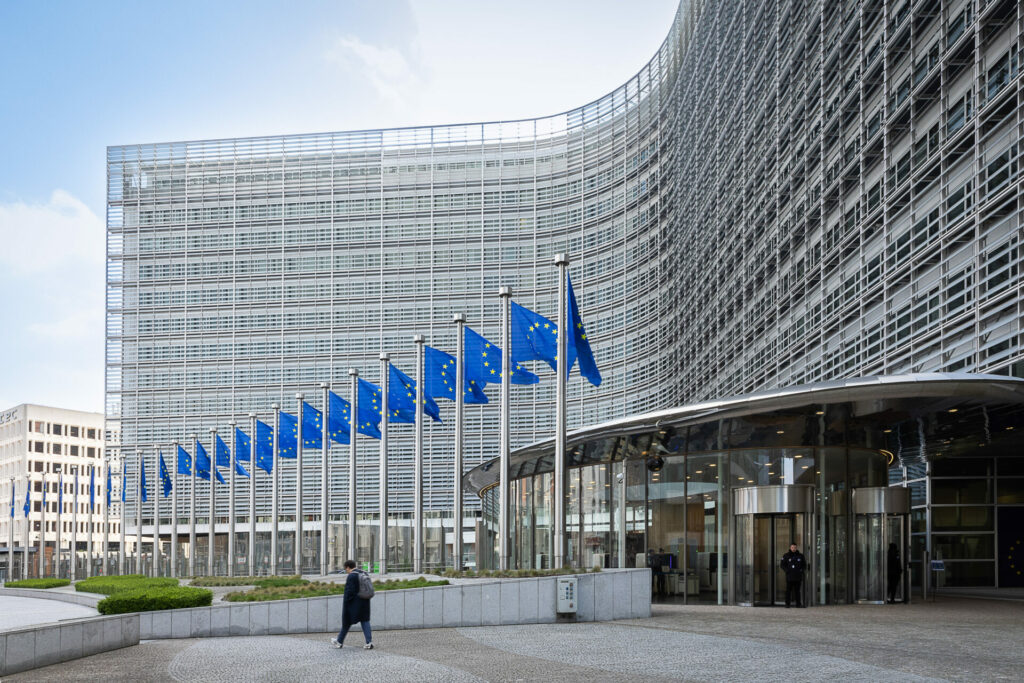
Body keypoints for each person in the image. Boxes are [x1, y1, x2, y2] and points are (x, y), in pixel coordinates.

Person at [331, 560, 373, 650]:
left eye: (346, 569)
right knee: (365, 621)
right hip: (365, 602)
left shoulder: (352, 576)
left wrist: (346, 603)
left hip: (353, 604)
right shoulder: (364, 573)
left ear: (348, 567)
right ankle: (369, 642)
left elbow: (349, 592)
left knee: (346, 622)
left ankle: (339, 641)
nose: (346, 571)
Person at [780, 543, 806, 608]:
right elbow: (782, 565)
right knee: (788, 591)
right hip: (789, 576)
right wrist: (787, 571)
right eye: (792, 547)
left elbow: (804, 565)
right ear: (790, 548)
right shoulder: (786, 556)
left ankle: (798, 604)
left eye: (794, 547)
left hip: (798, 576)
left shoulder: (800, 556)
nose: (793, 548)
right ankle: (787, 604)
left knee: (797, 591)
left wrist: (801, 570)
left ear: (796, 548)